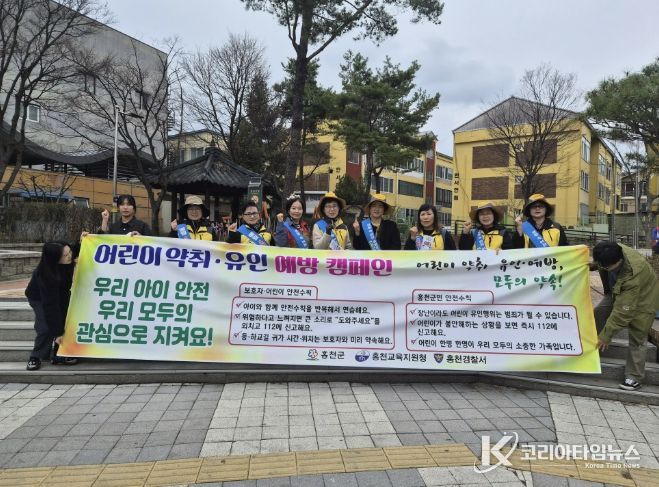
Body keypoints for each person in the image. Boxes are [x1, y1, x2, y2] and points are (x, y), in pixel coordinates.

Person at [592, 241, 659, 391]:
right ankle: (589, 353)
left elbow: (622, 312)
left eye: (608, 267)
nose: (605, 269)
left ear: (619, 260)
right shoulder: (610, 250)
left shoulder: (633, 274)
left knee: (638, 337)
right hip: (617, 291)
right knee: (598, 314)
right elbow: (601, 263)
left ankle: (634, 377)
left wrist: (606, 336)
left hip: (644, 300)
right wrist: (592, 265)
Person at [24, 242, 78, 370]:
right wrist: (57, 333)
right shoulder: (44, 275)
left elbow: (79, 248)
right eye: (66, 255)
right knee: (46, 327)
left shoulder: (67, 255)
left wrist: (85, 239)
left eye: (70, 252)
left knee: (65, 320)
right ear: (55, 258)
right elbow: (51, 306)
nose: (70, 256)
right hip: (39, 298)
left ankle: (59, 355)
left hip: (62, 293)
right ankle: (36, 357)